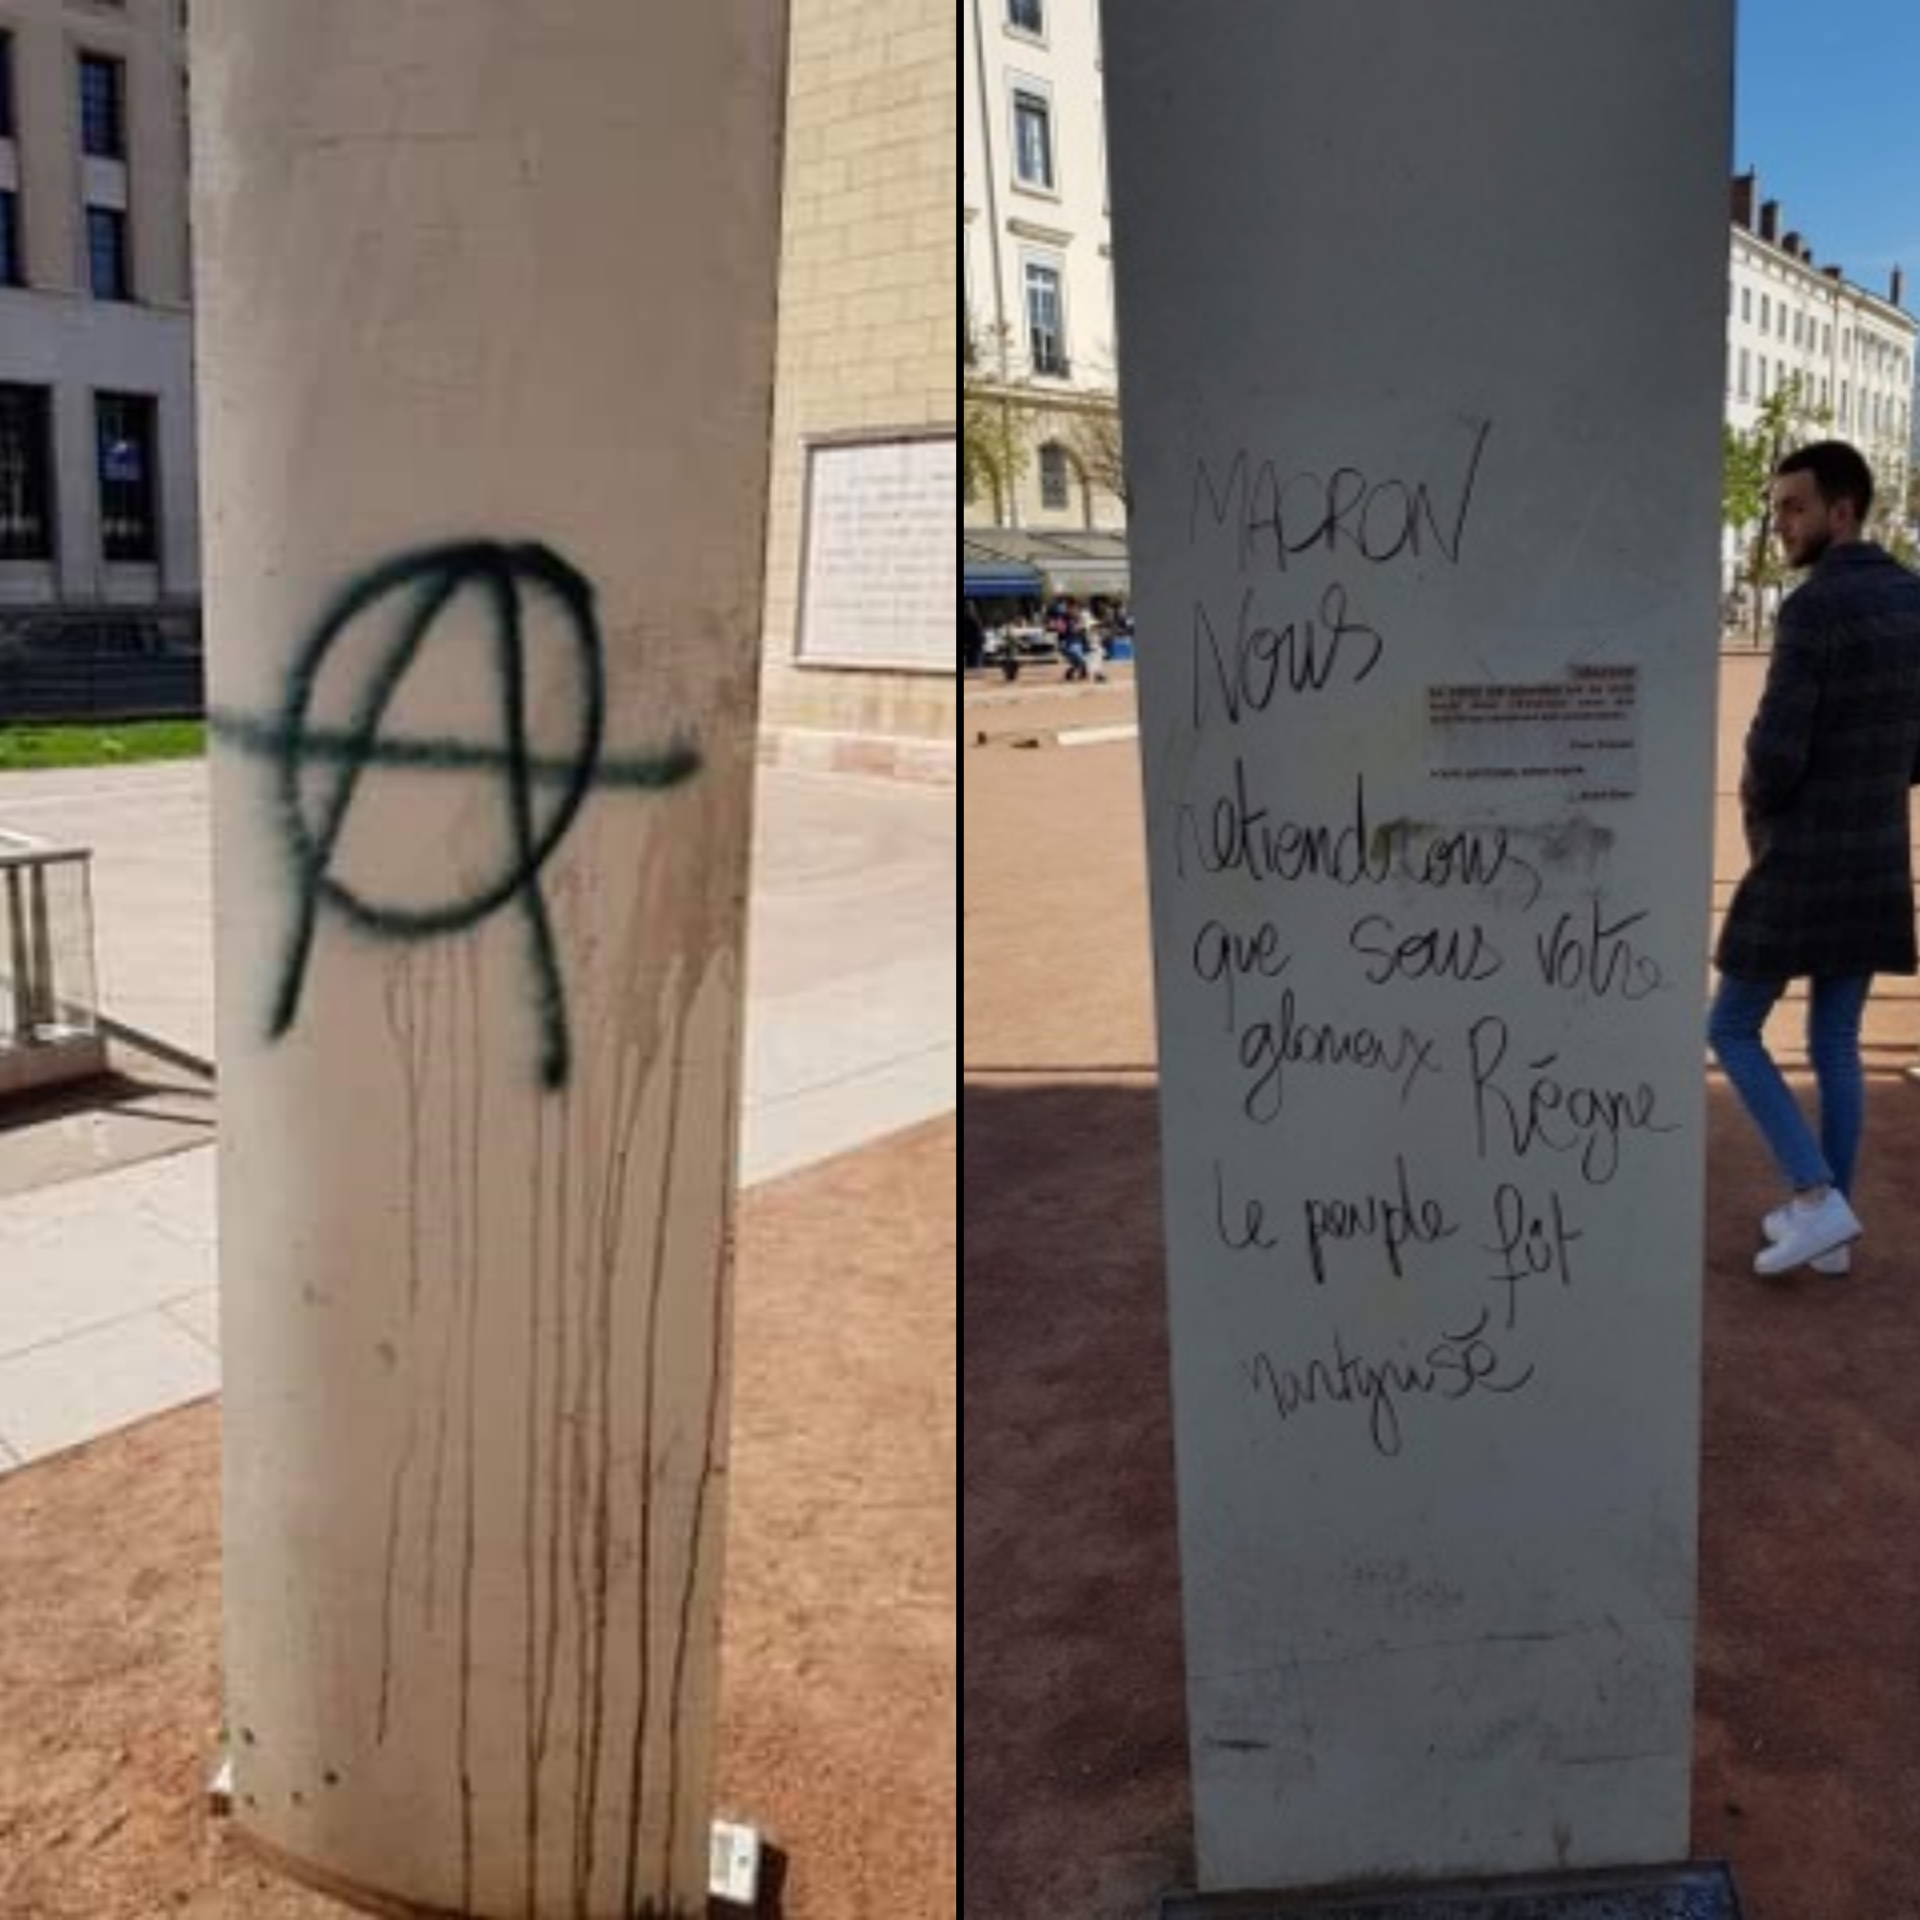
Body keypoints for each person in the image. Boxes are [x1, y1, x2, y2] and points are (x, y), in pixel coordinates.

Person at [1709, 439, 1920, 1277]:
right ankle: (1830, 1230)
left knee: (1729, 1027)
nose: (1781, 522)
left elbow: (1777, 749)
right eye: (1775, 507)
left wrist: (1762, 799)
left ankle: (1814, 1196)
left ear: (1843, 511)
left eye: (1794, 507)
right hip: (1875, 851)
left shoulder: (1811, 610)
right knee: (1835, 1033)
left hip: (1801, 854)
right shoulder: (1916, 600)